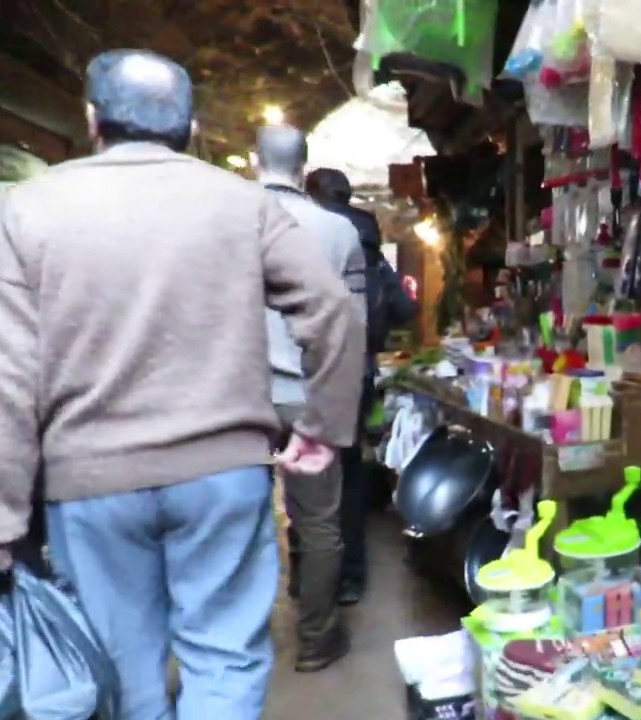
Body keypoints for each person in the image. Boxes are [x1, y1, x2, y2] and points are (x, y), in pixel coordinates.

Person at [0, 49, 364, 718]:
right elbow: (332, 309)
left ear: (91, 119)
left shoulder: (27, 210)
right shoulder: (240, 203)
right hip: (222, 475)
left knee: (123, 668)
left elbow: (8, 374)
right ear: (191, 129)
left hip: (90, 483)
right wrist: (322, 428)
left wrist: (4, 516)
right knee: (224, 658)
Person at [256, 126, 366, 671]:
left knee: (241, 519)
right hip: (308, 394)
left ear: (255, 161)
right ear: (304, 167)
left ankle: (242, 641)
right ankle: (317, 640)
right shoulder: (339, 231)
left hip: (240, 398)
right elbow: (352, 326)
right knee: (319, 521)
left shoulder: (226, 221)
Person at [306, 167, 416, 605]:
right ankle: (352, 576)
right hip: (361, 373)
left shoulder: (306, 239)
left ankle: (310, 577)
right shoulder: (370, 245)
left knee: (310, 473)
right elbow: (405, 309)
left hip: (311, 375)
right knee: (350, 471)